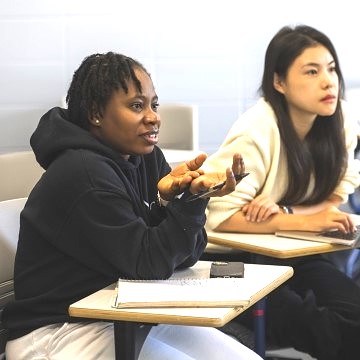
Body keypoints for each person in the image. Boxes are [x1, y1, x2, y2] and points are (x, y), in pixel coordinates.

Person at [1, 52, 261, 360]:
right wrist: (187, 202)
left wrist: (183, 197)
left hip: (125, 313)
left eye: (154, 104)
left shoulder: (144, 157)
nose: (153, 117)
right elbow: (148, 264)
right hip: (59, 331)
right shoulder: (83, 174)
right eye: (137, 106)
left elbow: (187, 255)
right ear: (96, 112)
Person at [204, 25, 360, 360]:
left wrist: (289, 213)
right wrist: (308, 220)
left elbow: (338, 192)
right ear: (279, 82)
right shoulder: (257, 130)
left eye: (331, 69)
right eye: (312, 71)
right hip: (230, 263)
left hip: (293, 254)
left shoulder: (341, 118)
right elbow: (220, 219)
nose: (328, 81)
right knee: (322, 326)